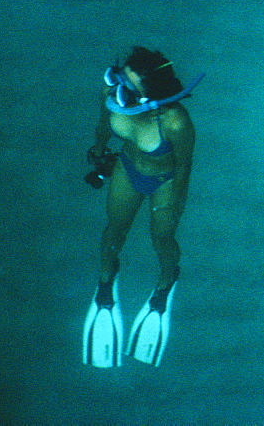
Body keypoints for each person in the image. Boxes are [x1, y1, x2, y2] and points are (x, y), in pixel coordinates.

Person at [82, 47, 202, 368]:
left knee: (162, 239)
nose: (114, 88)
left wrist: (175, 201)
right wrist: (99, 148)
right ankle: (106, 281)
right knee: (113, 230)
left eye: (126, 86)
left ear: (151, 98)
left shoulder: (175, 122)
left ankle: (166, 282)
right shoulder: (114, 96)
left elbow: (184, 166)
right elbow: (105, 123)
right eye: (117, 76)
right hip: (128, 167)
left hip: (164, 179)